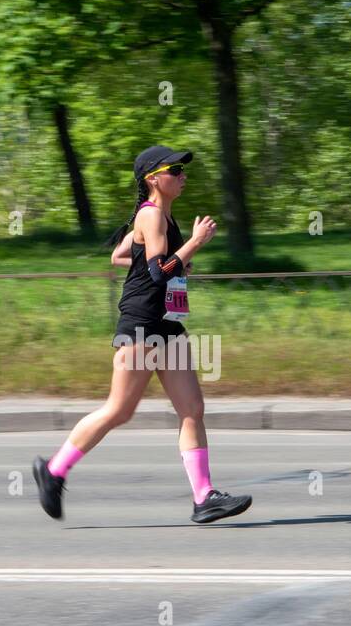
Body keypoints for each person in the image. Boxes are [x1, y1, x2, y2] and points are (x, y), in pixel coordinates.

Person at [32, 145, 252, 524]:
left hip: (167, 324)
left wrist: (176, 257)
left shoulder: (159, 217)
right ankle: (53, 471)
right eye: (176, 170)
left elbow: (121, 256)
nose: (183, 175)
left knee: (192, 410)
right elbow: (158, 272)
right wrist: (194, 244)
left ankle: (204, 498)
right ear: (154, 178)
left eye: (184, 170)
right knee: (119, 410)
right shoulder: (151, 217)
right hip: (141, 326)